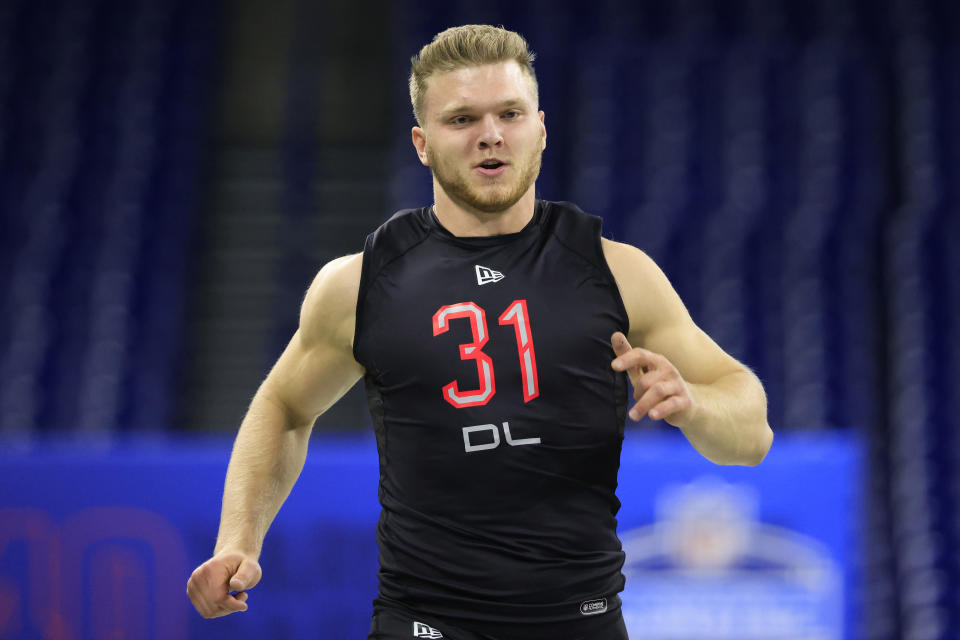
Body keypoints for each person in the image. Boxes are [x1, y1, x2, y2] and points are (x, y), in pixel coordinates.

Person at [186, 24, 773, 640]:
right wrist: (239, 540)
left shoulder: (617, 272)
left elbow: (752, 432)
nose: (490, 134)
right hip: (425, 624)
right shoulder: (360, 284)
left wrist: (695, 404)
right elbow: (283, 407)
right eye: (461, 118)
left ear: (540, 129)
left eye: (510, 114)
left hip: (580, 622)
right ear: (421, 142)